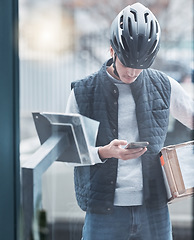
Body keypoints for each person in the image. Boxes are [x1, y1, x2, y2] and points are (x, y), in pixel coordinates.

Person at [66, 3, 194, 240]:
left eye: (141, 66)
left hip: (154, 208)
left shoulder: (164, 85)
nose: (133, 72)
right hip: (104, 210)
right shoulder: (83, 92)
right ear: (112, 50)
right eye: (127, 64)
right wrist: (106, 152)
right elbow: (70, 151)